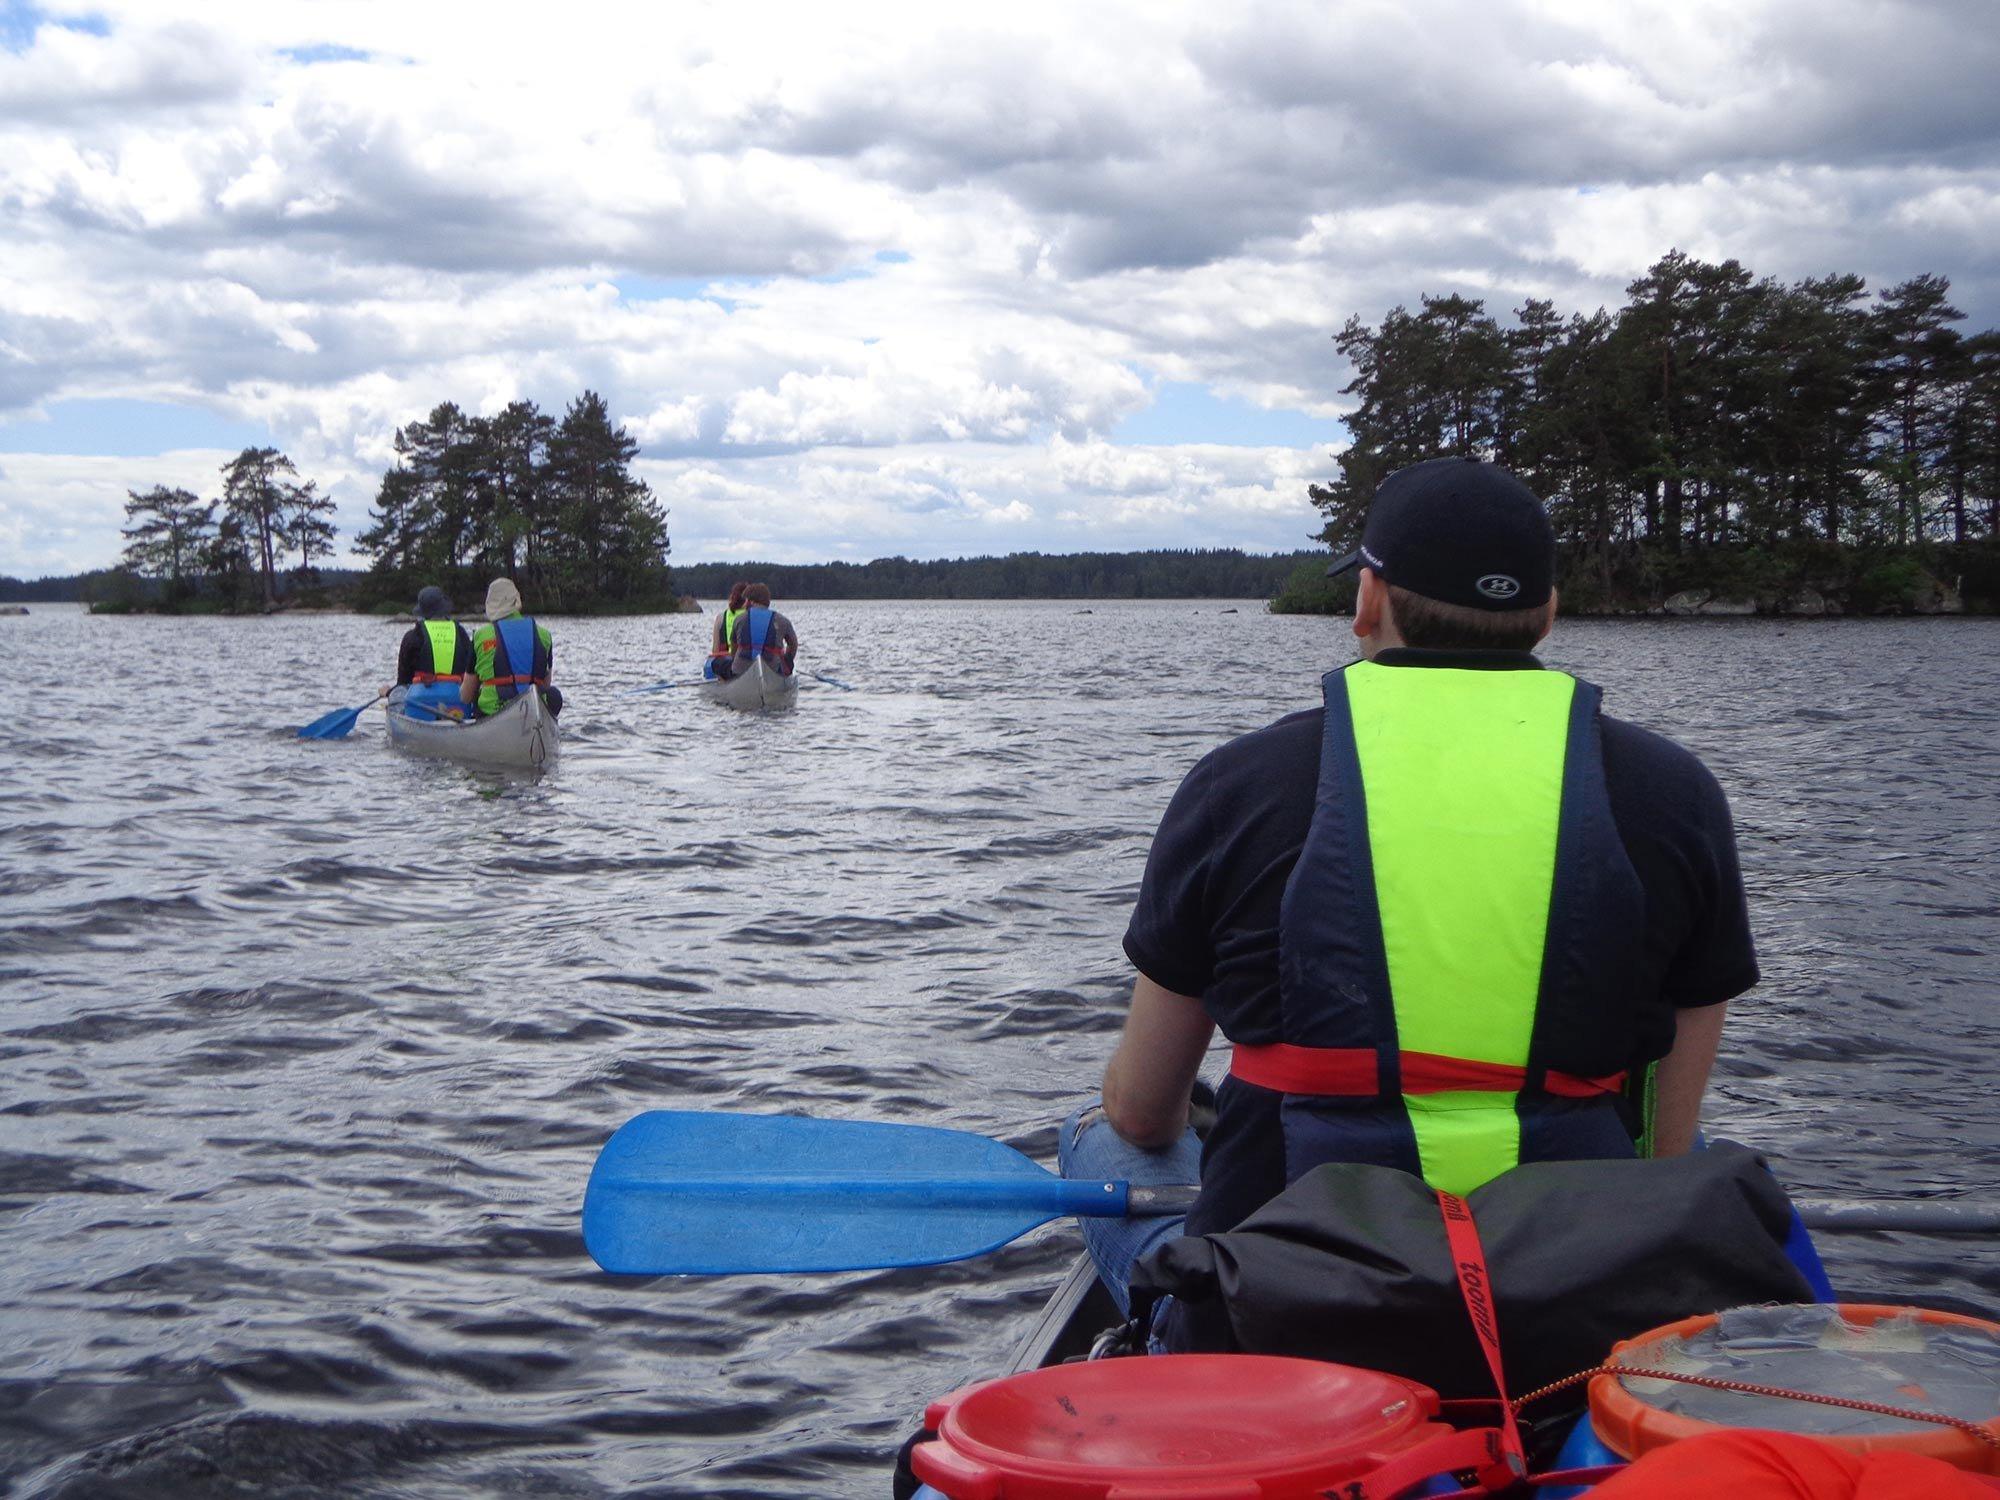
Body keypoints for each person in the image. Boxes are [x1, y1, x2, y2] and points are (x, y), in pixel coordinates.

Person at [1060, 457, 1759, 1330]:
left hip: (1282, 1334)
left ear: (1367, 599)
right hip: (1570, 1319)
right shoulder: (1676, 791)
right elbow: (1665, 1148)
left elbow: (1143, 1112)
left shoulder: (1238, 784)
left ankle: (1165, 1328)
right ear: (1546, 613)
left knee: (1103, 1133)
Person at [461, 577, 563, 719]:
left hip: (492, 713)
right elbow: (546, 683)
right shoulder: (544, 635)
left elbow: (466, 696)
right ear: (517, 601)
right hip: (533, 711)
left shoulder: (480, 636)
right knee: (554, 695)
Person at [382, 585, 475, 721]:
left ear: (422, 612)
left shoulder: (412, 636)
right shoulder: (461, 633)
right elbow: (470, 673)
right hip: (457, 701)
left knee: (398, 693)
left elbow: (403, 682)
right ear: (444, 609)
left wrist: (389, 692)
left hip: (420, 703)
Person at [715, 582, 798, 680]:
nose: (744, 604)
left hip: (740, 671)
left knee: (716, 663)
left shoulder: (739, 619)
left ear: (751, 602)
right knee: (787, 662)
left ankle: (724, 682)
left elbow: (734, 649)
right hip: (774, 670)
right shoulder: (783, 621)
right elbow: (793, 645)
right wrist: (786, 661)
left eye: (746, 600)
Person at [705, 581, 750, 680]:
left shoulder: (720, 618)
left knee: (713, 663)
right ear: (748, 600)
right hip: (748, 661)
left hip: (729, 662)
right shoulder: (752, 616)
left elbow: (715, 650)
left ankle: (722, 680)